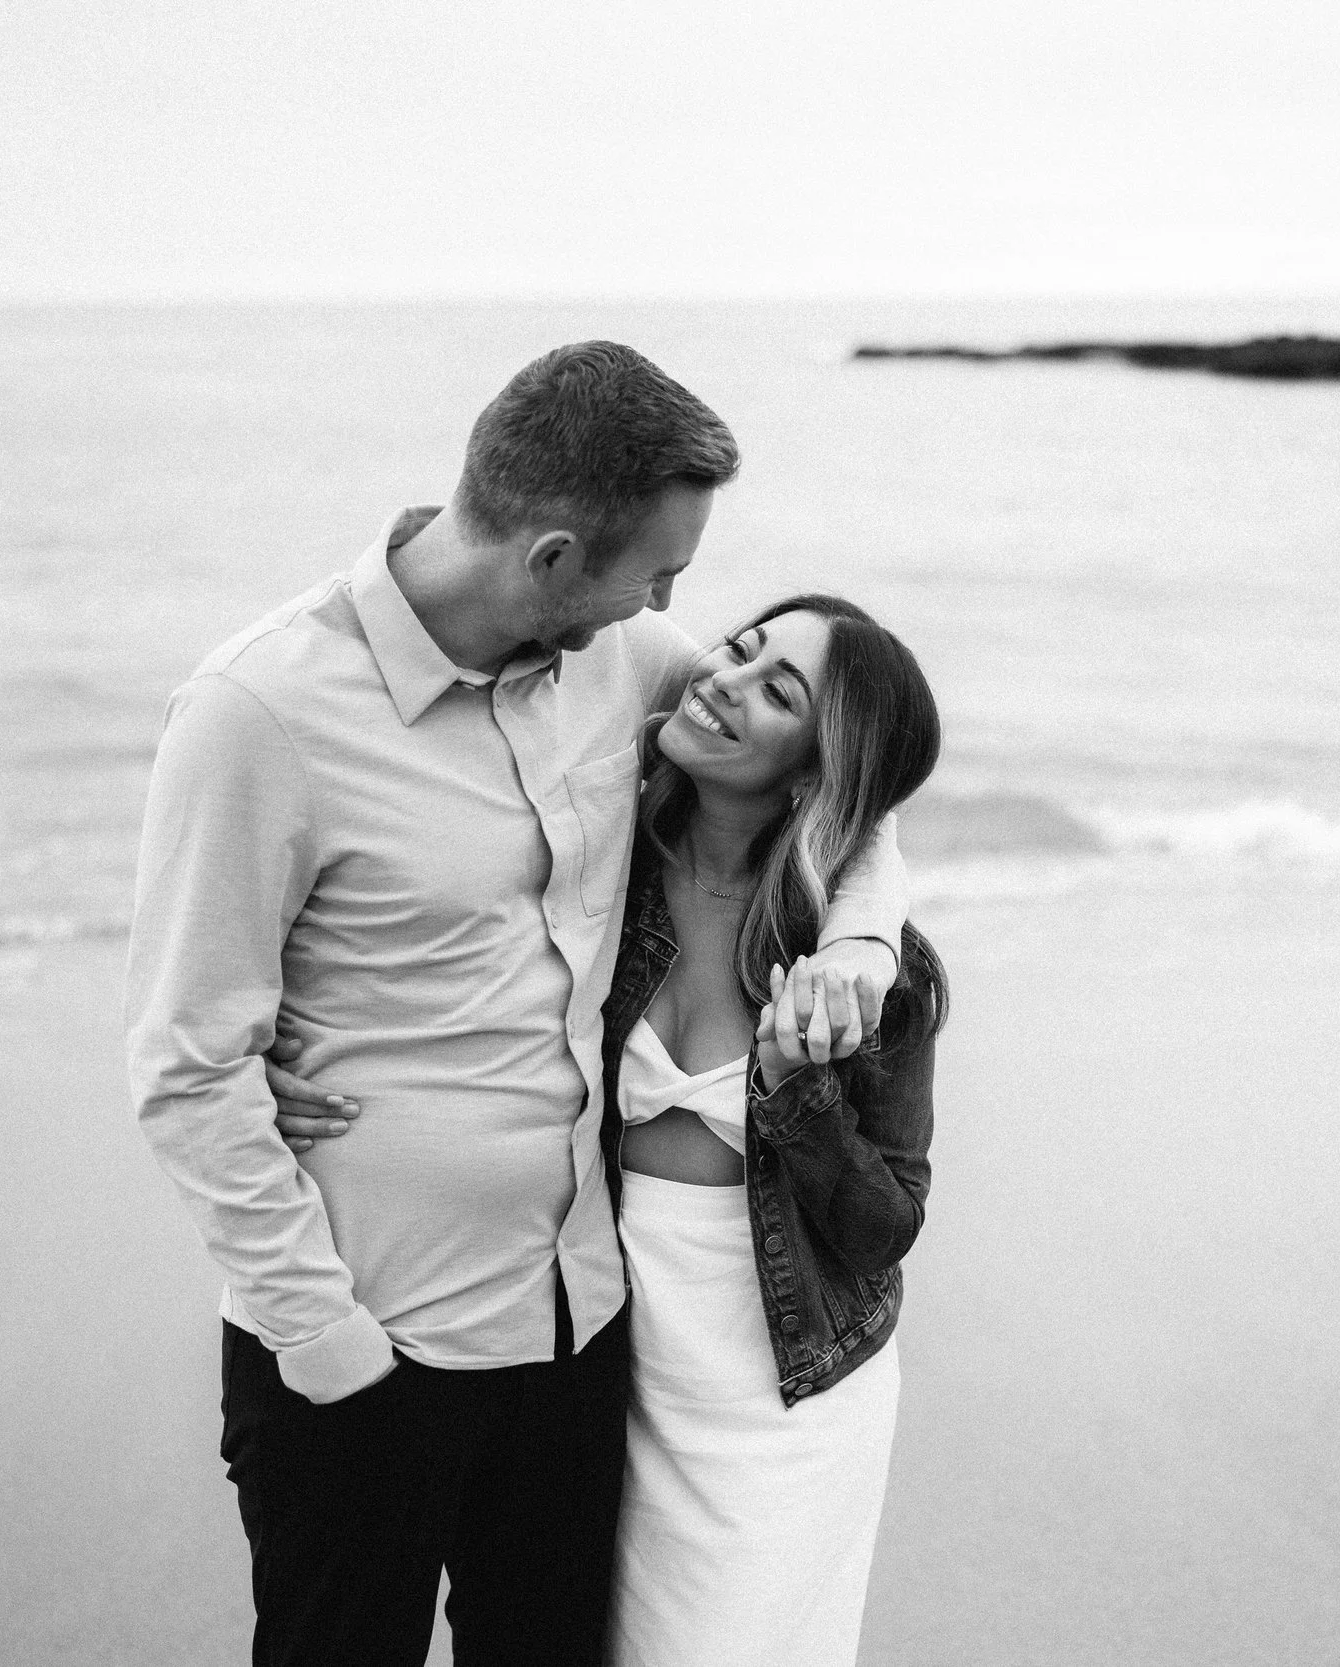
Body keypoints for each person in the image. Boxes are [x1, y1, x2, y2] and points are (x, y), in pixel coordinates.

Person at [123, 343, 907, 1667]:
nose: (673, 607)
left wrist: (863, 948)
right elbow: (187, 1065)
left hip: (576, 1335)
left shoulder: (620, 656)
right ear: (552, 557)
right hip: (366, 1347)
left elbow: (844, 782)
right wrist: (323, 1340)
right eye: (657, 573)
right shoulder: (256, 711)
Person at [268, 594, 945, 1667]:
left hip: (784, 1393)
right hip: (601, 1367)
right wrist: (283, 1029)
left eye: (777, 692)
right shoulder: (605, 867)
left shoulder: (864, 969)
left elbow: (883, 1226)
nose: (723, 678)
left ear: (815, 770)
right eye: (741, 648)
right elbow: (430, 939)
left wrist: (795, 1088)